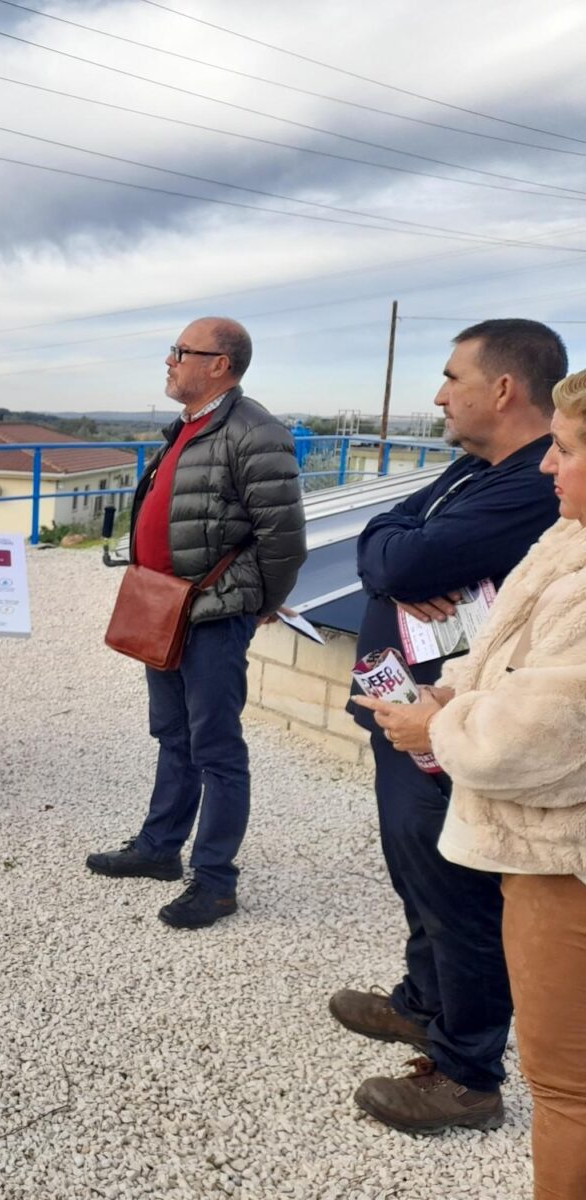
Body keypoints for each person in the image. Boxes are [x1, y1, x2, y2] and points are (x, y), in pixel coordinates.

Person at [356, 366, 586, 1197]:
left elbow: (549, 722)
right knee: (425, 881)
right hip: (464, 756)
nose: (550, 465)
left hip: (557, 851)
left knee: (567, 1088)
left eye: (567, 449)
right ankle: (426, 1007)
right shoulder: (546, 521)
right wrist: (452, 693)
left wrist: (441, 726)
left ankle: (467, 1073)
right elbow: (386, 543)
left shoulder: (537, 509)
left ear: (503, 385)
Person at [87, 318, 306, 929]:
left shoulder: (256, 432)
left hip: (213, 614)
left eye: (181, 352)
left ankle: (215, 882)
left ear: (219, 365)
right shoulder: (187, 427)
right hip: (164, 610)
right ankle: (159, 848)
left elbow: (284, 539)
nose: (170, 360)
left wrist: (258, 604)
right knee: (173, 735)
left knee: (216, 749)